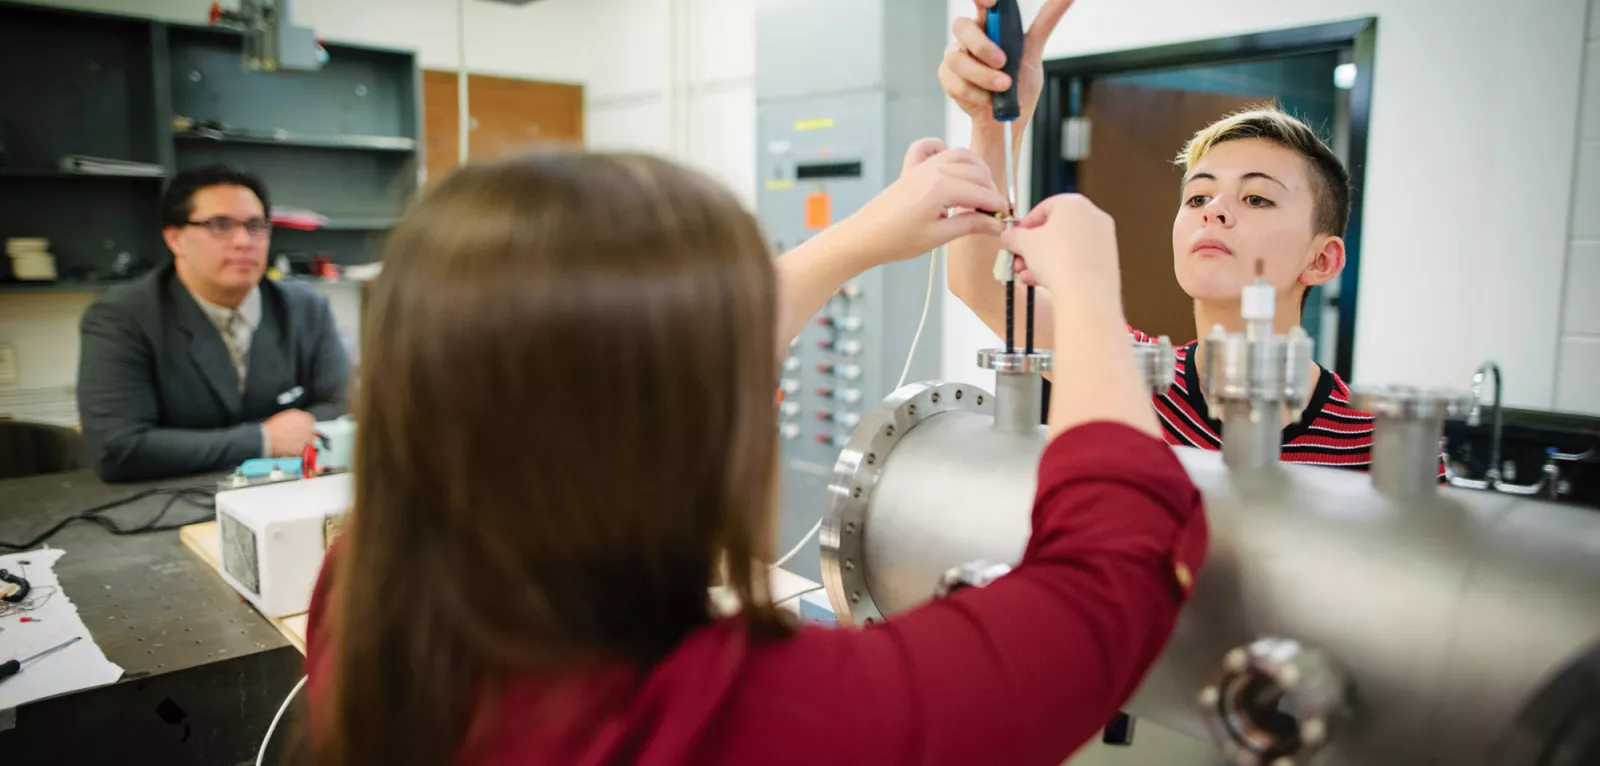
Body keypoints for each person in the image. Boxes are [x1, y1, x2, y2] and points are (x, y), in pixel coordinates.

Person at [301, 144, 1208, 765]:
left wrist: (859, 239)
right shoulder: (761, 720)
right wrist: (1091, 297)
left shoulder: (369, 595)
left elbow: (631, 356)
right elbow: (1110, 572)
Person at [942, 0, 1389, 472]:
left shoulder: (1373, 441)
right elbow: (981, 280)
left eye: (1257, 198)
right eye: (1198, 198)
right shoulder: (1131, 374)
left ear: (1322, 260)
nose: (1214, 211)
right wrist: (993, 126)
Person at [76, 165, 350, 482]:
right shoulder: (121, 317)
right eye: (219, 225)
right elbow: (119, 448)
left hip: (286, 491)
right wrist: (263, 439)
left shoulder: (306, 308)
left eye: (255, 225)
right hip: (163, 501)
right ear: (174, 238)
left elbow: (339, 405)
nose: (243, 241)